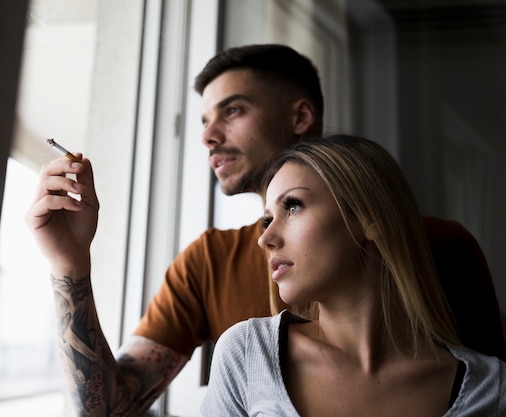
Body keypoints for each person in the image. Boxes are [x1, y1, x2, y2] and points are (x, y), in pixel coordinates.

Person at [25, 44, 506, 416]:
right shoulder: (207, 263)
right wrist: (70, 267)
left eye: (232, 111)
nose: (209, 136)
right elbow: (110, 408)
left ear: (300, 116)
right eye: (204, 121)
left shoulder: (444, 247)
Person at [200, 135, 506, 416]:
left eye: (292, 207)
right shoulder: (247, 356)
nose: (265, 239)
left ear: (370, 219)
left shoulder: (492, 389)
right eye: (267, 220)